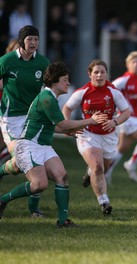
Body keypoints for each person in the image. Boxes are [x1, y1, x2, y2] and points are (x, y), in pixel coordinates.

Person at [0, 62, 108, 227]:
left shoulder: (50, 98)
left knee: (62, 177)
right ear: (55, 81)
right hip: (28, 145)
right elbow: (63, 124)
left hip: (43, 146)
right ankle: (3, 200)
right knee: (39, 184)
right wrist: (90, 121)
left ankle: (63, 221)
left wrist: (68, 131)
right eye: (65, 80)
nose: (68, 83)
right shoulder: (46, 98)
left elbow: (55, 126)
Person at [62, 59, 130, 215]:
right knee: (98, 167)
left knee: (102, 169)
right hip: (88, 134)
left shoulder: (113, 92)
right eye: (96, 72)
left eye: (103, 72)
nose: (99, 75)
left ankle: (88, 173)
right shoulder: (82, 92)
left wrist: (115, 122)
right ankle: (104, 202)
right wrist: (68, 125)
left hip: (109, 136)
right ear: (90, 74)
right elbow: (67, 107)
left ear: (107, 74)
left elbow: (126, 112)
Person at [0, 25, 50, 217]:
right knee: (23, 160)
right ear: (22, 41)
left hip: (33, 118)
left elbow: (50, 89)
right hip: (10, 119)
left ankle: (34, 210)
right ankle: (2, 171)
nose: (33, 43)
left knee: (36, 159)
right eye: (30, 39)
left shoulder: (43, 63)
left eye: (36, 40)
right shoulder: (7, 61)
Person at [105, 51, 137, 183]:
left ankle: (105, 171)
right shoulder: (123, 80)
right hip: (126, 118)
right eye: (133, 62)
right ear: (127, 64)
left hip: (136, 118)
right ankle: (131, 164)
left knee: (122, 148)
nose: (136, 64)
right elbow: (108, 91)